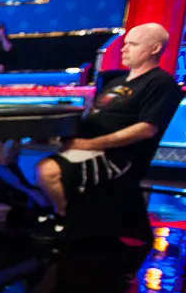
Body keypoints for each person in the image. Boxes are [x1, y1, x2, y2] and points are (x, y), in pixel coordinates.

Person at [35, 22, 182, 218]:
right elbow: (94, 115)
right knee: (17, 155)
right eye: (125, 43)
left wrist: (89, 144)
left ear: (155, 49)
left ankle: (67, 220)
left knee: (48, 171)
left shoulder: (161, 83)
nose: (124, 49)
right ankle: (49, 213)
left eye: (133, 44)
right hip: (85, 146)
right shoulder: (116, 82)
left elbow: (146, 129)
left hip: (116, 157)